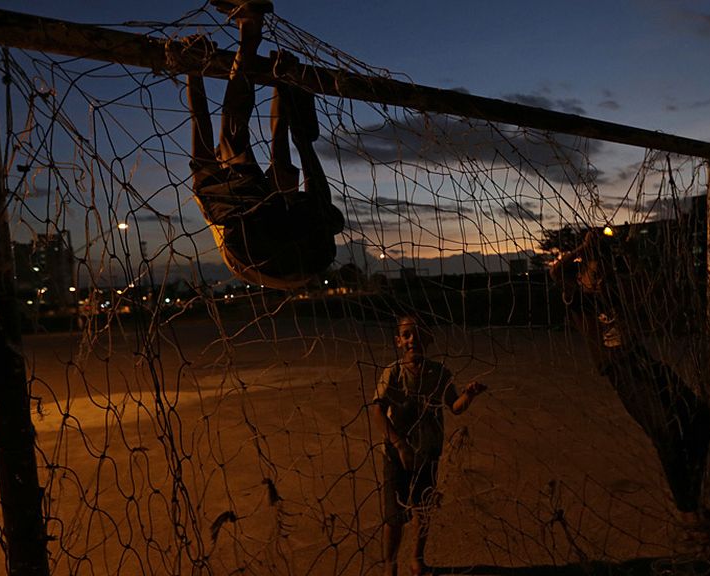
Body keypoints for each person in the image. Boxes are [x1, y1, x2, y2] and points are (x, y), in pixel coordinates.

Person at [550, 228, 710, 516]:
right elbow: (556, 271)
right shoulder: (576, 298)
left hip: (642, 359)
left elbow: (645, 285)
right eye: (593, 272)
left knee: (701, 416)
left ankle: (693, 486)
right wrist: (584, 249)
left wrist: (630, 253)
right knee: (665, 430)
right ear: (581, 275)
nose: (598, 277)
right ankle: (688, 509)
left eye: (602, 271)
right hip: (621, 370)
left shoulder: (614, 290)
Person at [184, 0, 344, 289]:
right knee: (234, 138)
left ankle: (252, 32)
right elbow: (200, 120)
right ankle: (250, 29)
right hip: (265, 254)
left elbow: (286, 145)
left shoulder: (228, 193)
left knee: (258, 148)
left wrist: (282, 83)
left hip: (306, 255)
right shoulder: (216, 190)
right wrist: (193, 71)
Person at [370, 315, 487, 576]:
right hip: (396, 455)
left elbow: (454, 406)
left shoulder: (440, 373)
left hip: (428, 453)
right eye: (407, 334)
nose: (413, 339)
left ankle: (417, 560)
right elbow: (377, 412)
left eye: (419, 334)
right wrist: (399, 444)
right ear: (398, 341)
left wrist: (469, 394)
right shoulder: (393, 372)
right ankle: (390, 564)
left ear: (429, 339)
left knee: (423, 509)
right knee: (394, 516)